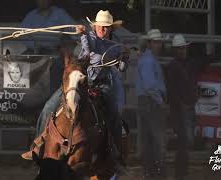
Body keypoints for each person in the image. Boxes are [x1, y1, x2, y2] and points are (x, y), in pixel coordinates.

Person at [35, 10, 128, 156]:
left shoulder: (116, 45)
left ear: (111, 28)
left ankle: (115, 152)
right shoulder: (90, 37)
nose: (102, 29)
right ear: (95, 27)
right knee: (48, 107)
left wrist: (124, 58)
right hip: (80, 82)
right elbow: (85, 53)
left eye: (105, 27)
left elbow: (121, 68)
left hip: (102, 84)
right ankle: (38, 144)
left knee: (114, 114)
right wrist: (83, 35)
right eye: (99, 26)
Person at [166, 34, 221, 180]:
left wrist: (220, 56)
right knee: (186, 140)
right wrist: (181, 104)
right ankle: (180, 173)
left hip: (186, 107)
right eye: (179, 49)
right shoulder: (174, 66)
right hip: (181, 108)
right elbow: (172, 90)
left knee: (185, 141)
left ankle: (181, 172)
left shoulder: (187, 63)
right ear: (175, 50)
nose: (182, 51)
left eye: (183, 48)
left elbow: (204, 60)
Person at [20, 0, 76, 93]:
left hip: (53, 52)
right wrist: (34, 46)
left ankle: (53, 95)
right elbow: (22, 34)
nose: (42, 2)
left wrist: (77, 41)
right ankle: (25, 95)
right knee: (19, 64)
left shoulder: (59, 13)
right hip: (33, 52)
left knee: (57, 67)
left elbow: (74, 29)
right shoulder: (31, 15)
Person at [135, 29, 168, 178]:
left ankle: (149, 171)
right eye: (156, 42)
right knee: (157, 137)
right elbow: (150, 86)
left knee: (148, 137)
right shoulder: (149, 60)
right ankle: (157, 170)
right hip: (151, 101)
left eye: (159, 42)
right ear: (149, 44)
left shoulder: (146, 59)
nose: (158, 45)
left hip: (146, 101)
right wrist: (161, 102)